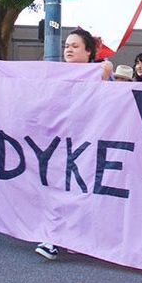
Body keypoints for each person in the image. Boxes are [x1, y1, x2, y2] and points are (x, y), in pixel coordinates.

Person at [36, 29, 110, 260]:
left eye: (75, 46)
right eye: (67, 45)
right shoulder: (56, 75)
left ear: (89, 52)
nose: (68, 49)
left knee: (80, 190)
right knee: (57, 188)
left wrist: (104, 71)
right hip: (59, 142)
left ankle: (72, 235)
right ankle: (52, 238)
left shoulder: (101, 72)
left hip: (87, 143)